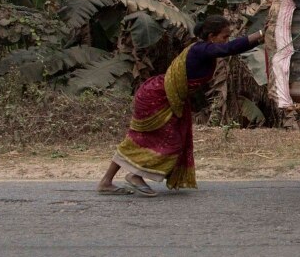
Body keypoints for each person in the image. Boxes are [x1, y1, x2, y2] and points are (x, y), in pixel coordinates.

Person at [96, 15, 264, 197]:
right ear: (211, 36)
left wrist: (262, 38)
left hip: (165, 96)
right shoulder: (201, 49)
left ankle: (107, 181)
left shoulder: (202, 49)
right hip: (159, 97)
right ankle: (135, 176)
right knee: (168, 142)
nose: (227, 39)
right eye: (224, 36)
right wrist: (261, 33)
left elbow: (230, 48)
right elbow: (230, 49)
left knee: (140, 139)